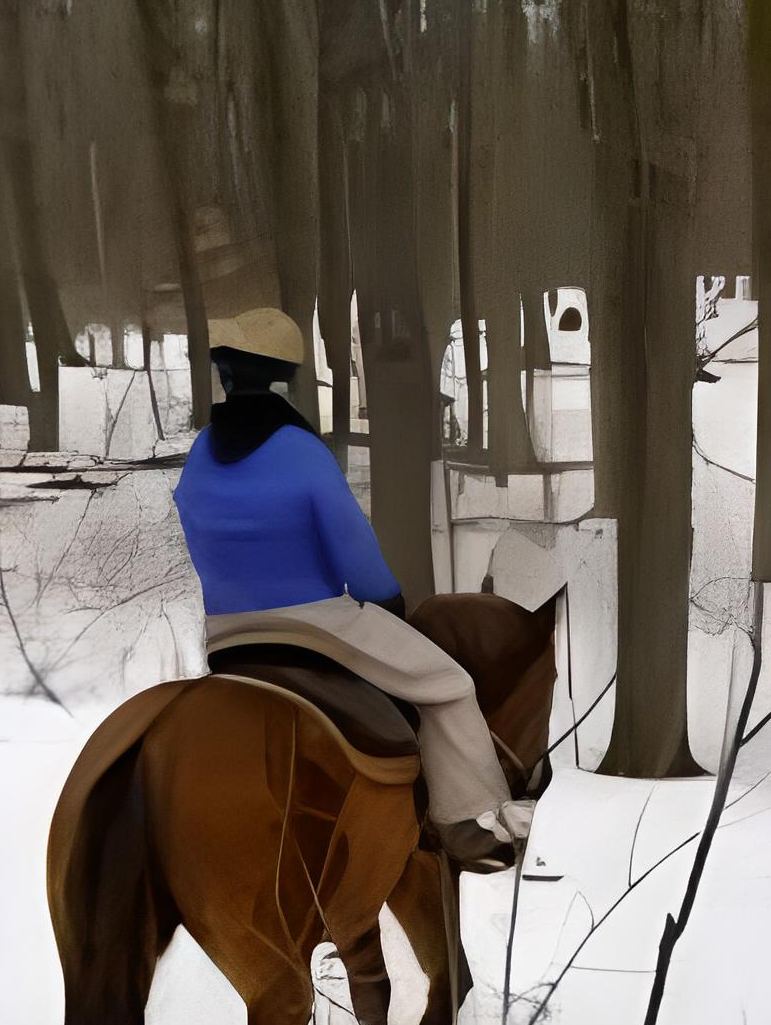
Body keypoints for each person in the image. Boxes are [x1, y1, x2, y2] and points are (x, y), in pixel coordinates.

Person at [172, 307, 530, 871]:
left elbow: (197, 536)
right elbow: (354, 550)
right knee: (450, 685)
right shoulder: (301, 450)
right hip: (317, 625)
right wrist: (387, 602)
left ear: (226, 372)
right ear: (282, 374)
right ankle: (473, 825)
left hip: (225, 634)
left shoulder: (200, 453)